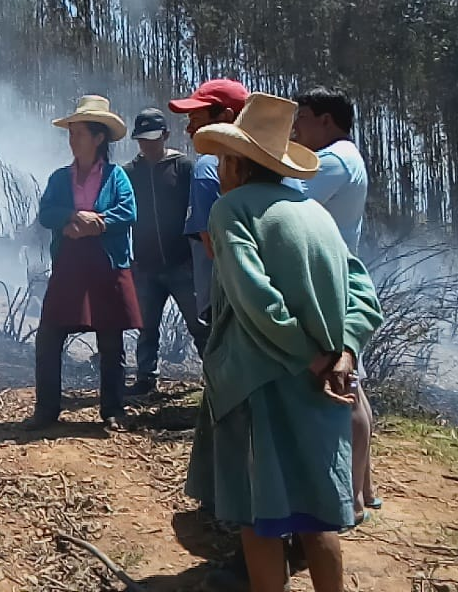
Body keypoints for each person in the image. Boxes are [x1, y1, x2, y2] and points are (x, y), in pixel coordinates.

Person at [184, 93, 384, 592]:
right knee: (317, 517)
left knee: (260, 519)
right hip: (323, 391)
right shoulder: (314, 214)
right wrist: (345, 352)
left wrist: (314, 358)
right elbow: (364, 292)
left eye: (224, 159)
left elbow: (257, 300)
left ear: (236, 162)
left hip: (258, 389)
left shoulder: (230, 211)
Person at [24, 95, 141, 431]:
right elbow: (46, 212)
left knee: (111, 341)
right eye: (70, 134)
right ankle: (46, 410)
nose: (72, 140)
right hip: (70, 265)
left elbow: (128, 212)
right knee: (49, 336)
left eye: (78, 133)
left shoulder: (116, 177)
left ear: (98, 137)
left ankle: (113, 410)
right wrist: (71, 218)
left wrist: (99, 222)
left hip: (106, 264)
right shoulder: (60, 178)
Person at [290, 86, 377, 523]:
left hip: (330, 283)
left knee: (345, 388)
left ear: (327, 120)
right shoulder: (345, 156)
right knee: (353, 387)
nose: (297, 127)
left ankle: (354, 499)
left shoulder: (334, 160)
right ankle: (365, 486)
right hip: (336, 277)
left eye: (303, 117)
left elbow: (290, 201)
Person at [122, 108, 207, 396]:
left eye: (152, 138)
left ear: (165, 135)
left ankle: (215, 376)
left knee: (200, 324)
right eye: (142, 139)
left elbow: (198, 210)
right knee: (146, 327)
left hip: (181, 262)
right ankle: (146, 378)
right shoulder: (130, 173)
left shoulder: (184, 167)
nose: (147, 145)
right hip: (145, 264)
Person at [167, 79, 251, 319]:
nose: (189, 129)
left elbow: (213, 247)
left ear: (225, 117)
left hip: (225, 301)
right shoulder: (271, 170)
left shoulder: (206, 168)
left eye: (196, 120)